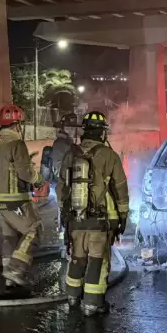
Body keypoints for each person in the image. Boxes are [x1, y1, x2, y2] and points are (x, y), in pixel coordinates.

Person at [57, 110, 130, 316]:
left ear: (84, 131)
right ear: (103, 133)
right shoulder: (110, 156)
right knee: (97, 261)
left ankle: (72, 297)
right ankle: (92, 303)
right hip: (101, 219)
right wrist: (123, 215)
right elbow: (121, 188)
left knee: (77, 257)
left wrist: (64, 214)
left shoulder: (71, 154)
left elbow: (61, 187)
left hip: (75, 218)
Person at [0, 104, 44, 287]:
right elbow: (25, 173)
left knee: (10, 237)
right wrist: (39, 179)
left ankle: (8, 276)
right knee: (34, 229)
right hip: (16, 200)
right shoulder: (17, 144)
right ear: (17, 124)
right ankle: (15, 269)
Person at [49, 113, 78, 182]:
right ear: (62, 128)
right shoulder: (60, 143)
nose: (71, 130)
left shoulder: (67, 141)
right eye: (68, 127)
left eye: (73, 128)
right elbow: (60, 169)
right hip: (61, 178)